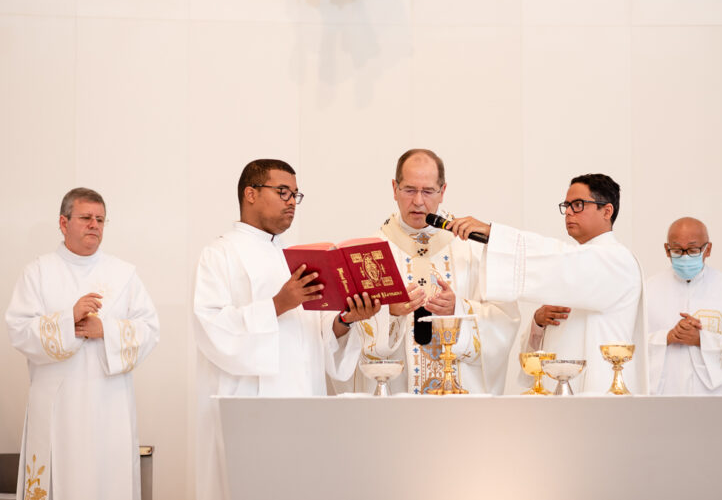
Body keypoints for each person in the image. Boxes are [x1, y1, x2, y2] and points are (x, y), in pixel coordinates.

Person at [193, 159, 373, 500]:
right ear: (250, 194)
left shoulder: (293, 256)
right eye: (282, 192)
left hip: (304, 401)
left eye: (295, 194)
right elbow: (211, 328)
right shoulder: (220, 254)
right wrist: (277, 304)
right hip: (250, 407)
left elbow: (314, 336)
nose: (292, 202)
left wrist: (345, 320)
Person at [5, 187, 159, 500]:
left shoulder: (123, 274)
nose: (94, 225)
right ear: (63, 223)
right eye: (86, 217)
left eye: (100, 219)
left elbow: (150, 330)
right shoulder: (38, 272)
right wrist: (68, 320)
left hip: (110, 406)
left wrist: (105, 330)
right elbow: (18, 330)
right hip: (57, 407)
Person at [335, 149, 519, 395]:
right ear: (394, 189)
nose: (419, 201)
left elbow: (505, 321)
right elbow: (346, 334)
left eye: (428, 191)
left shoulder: (472, 248)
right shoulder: (369, 254)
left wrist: (458, 309)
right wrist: (390, 313)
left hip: (458, 399)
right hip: (396, 398)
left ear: (443, 191)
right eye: (409, 190)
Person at [448, 173, 648, 394]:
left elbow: (559, 259)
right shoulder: (574, 265)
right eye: (567, 205)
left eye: (578, 205)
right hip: (562, 390)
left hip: (599, 388)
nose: (569, 212)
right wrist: (539, 322)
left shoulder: (617, 260)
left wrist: (494, 235)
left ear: (607, 211)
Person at [647, 217, 722, 395]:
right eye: (677, 250)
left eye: (693, 250)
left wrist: (701, 339)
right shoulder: (648, 290)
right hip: (664, 394)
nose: (685, 257)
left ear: (708, 249)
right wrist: (667, 337)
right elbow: (630, 344)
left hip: (713, 397)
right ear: (667, 250)